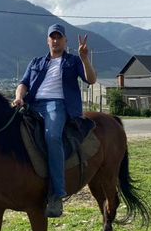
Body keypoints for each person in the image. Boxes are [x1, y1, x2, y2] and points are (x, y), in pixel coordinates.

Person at [13, 23, 97, 217]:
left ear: (65, 41)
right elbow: (23, 84)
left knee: (52, 137)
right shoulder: (36, 62)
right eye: (53, 37)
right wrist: (19, 97)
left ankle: (57, 194)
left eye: (59, 37)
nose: (56, 40)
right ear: (48, 40)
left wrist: (85, 58)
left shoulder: (73, 61)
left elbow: (91, 80)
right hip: (32, 104)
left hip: (56, 105)